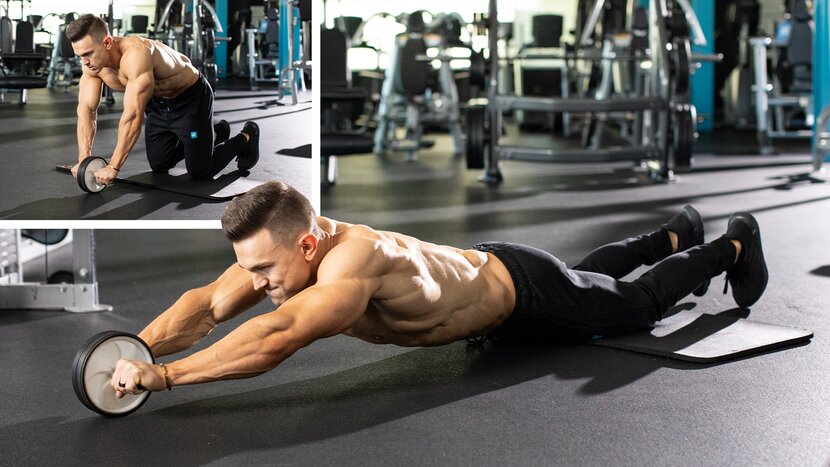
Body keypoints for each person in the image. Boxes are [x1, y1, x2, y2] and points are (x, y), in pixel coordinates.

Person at [110, 182, 768, 396]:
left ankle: (731, 242)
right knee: (591, 276)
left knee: (633, 306)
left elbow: (277, 337)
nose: (256, 284)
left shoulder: (347, 267)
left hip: (521, 293)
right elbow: (208, 303)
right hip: (498, 287)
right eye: (250, 269)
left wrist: (164, 378)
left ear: (307, 245)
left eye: (266, 272)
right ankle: (674, 233)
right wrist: (135, 345)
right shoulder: (279, 250)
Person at [66, 14, 260, 185]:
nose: (84, 62)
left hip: (189, 98)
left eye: (88, 54)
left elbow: (133, 116)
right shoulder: (92, 67)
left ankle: (246, 136)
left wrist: (114, 166)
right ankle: (216, 131)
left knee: (200, 171)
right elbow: (87, 110)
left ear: (107, 43)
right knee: (159, 164)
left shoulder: (135, 55)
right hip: (158, 103)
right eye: (79, 56)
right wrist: (84, 158)